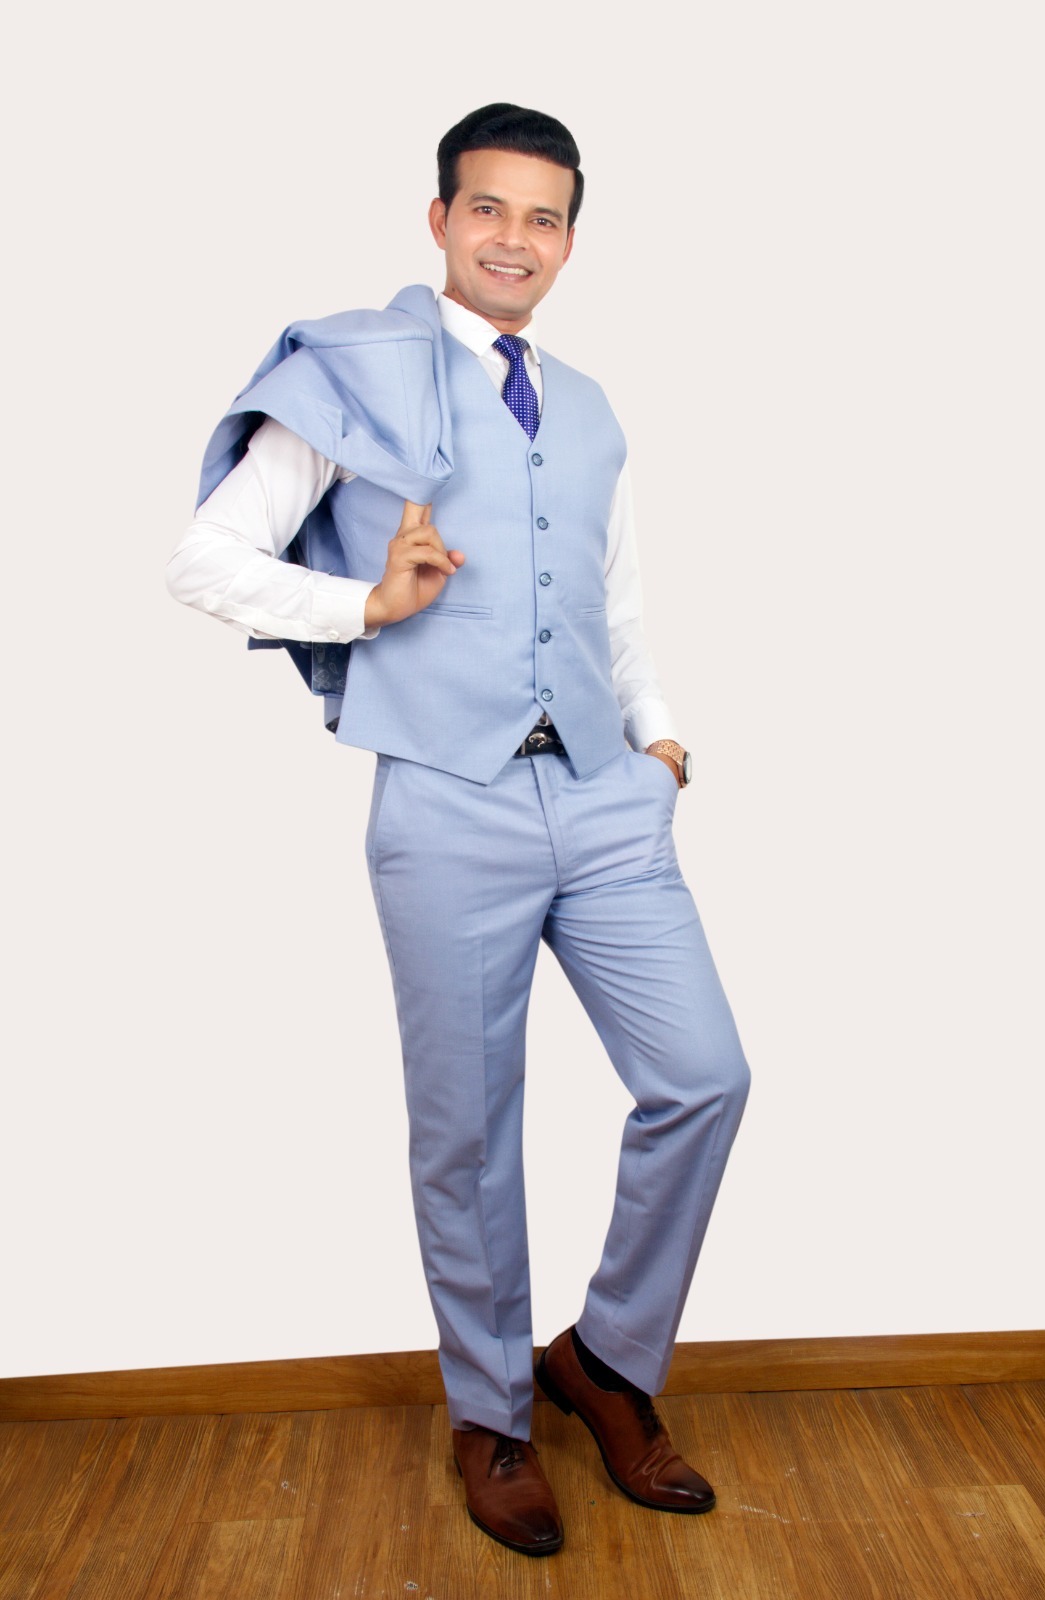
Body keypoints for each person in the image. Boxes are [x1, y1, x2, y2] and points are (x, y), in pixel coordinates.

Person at [167, 103, 751, 1559]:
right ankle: (490, 1416)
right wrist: (364, 604)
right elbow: (204, 557)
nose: (513, 239)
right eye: (487, 208)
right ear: (438, 220)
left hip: (605, 796)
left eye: (543, 217)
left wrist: (659, 731)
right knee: (469, 1133)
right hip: (445, 800)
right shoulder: (354, 376)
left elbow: (610, 597)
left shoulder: (593, 406)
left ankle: (603, 1361)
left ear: (570, 240)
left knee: (702, 1078)